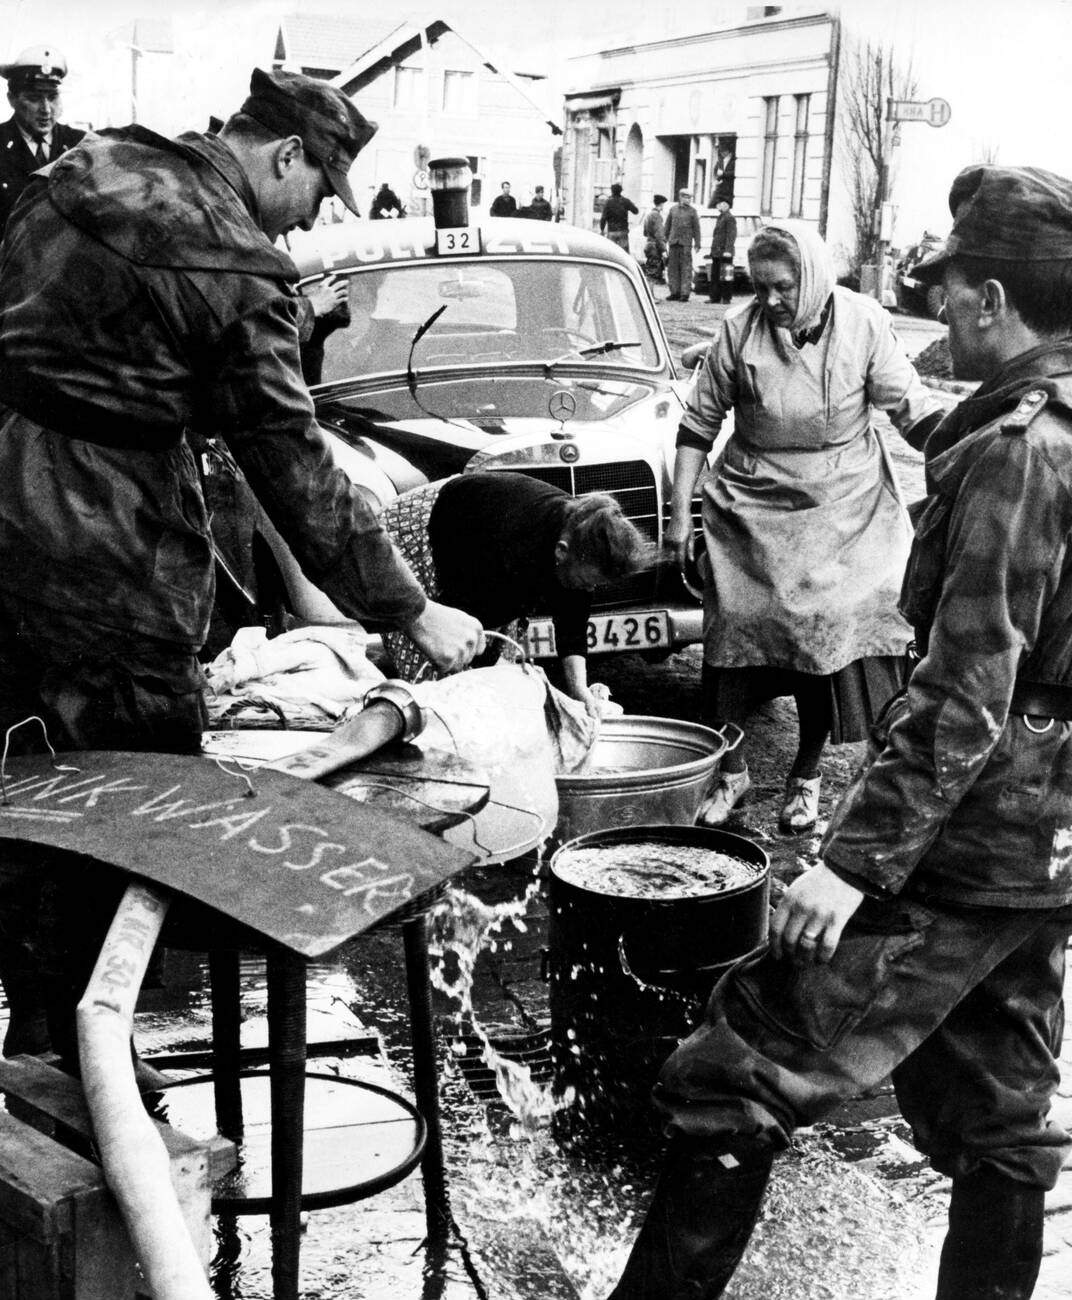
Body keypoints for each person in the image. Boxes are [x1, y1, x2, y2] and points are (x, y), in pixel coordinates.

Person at [610, 163, 1072, 1300]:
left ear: (995, 300)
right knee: (1002, 1101)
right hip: (1049, 842)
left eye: (954, 290)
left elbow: (966, 694)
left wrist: (851, 868)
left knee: (737, 1068)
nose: (942, 311)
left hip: (973, 837)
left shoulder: (1020, 448)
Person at [0, 67, 484, 1066]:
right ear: (287, 154)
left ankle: (38, 1020)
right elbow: (294, 463)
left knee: (21, 775)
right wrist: (407, 606)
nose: (307, 224)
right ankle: (86, 1061)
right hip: (96, 531)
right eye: (316, 195)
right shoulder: (235, 263)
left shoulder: (95, 160)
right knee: (129, 794)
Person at [669, 221, 944, 834]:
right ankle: (732, 770)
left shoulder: (865, 324)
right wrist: (678, 515)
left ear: (814, 278)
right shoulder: (737, 334)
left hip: (843, 507)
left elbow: (911, 410)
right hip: (751, 509)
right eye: (759, 286)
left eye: (783, 287)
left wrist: (963, 454)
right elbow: (696, 427)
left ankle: (807, 774)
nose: (769, 301)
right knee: (731, 641)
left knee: (823, 640)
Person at [380, 472, 649, 715]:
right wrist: (516, 676)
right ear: (561, 552)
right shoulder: (515, 547)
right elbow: (467, 622)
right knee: (443, 665)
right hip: (423, 531)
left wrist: (578, 689)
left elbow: (573, 620)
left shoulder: (582, 541)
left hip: (485, 543)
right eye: (586, 581)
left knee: (499, 684)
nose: (590, 590)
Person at [0, 45, 84, 233]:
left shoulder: (80, 144)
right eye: (34, 98)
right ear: (11, 99)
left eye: (53, 97)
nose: (46, 109)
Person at [663, 188, 701, 301]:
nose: (688, 200)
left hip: (686, 243)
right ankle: (674, 292)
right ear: (680, 197)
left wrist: (698, 243)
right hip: (673, 242)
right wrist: (663, 240)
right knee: (672, 268)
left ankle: (685, 293)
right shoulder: (673, 210)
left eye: (690, 198)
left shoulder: (692, 211)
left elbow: (696, 228)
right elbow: (667, 226)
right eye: (686, 197)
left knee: (686, 269)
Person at [707, 199, 737, 303]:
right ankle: (715, 297)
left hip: (725, 252)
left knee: (726, 276)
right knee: (715, 275)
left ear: (726, 205)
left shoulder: (729, 218)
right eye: (718, 204)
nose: (718, 206)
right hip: (717, 252)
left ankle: (726, 298)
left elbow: (731, 235)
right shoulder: (721, 217)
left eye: (720, 204)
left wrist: (728, 250)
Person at [599, 182, 638, 251]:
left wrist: (602, 229)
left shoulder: (608, 202)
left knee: (611, 253)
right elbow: (636, 211)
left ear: (612, 191)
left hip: (612, 231)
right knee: (624, 254)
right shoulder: (625, 201)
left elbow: (603, 218)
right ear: (621, 191)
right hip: (623, 231)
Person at [642, 193, 668, 282]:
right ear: (661, 204)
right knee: (653, 274)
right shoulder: (657, 216)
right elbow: (659, 235)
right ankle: (650, 294)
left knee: (649, 271)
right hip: (655, 247)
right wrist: (664, 250)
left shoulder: (648, 215)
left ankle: (650, 293)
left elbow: (645, 232)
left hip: (648, 245)